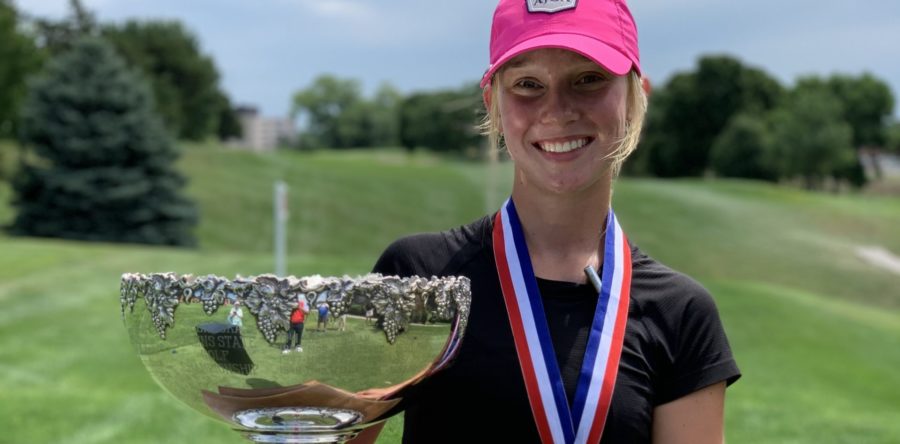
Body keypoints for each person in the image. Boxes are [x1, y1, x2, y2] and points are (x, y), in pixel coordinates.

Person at [368, 1, 741, 442]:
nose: (558, 109)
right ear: (494, 104)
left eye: (588, 79)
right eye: (528, 84)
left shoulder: (680, 313)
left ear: (636, 96)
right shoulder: (418, 276)